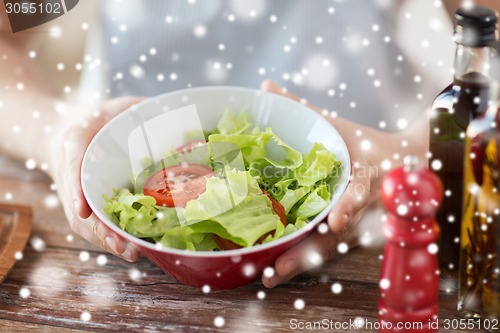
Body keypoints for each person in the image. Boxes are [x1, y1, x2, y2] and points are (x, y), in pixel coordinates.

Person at [0, 0, 497, 289]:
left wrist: (404, 154)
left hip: (379, 240)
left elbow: (488, 39)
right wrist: (55, 128)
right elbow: (7, 32)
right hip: (118, 252)